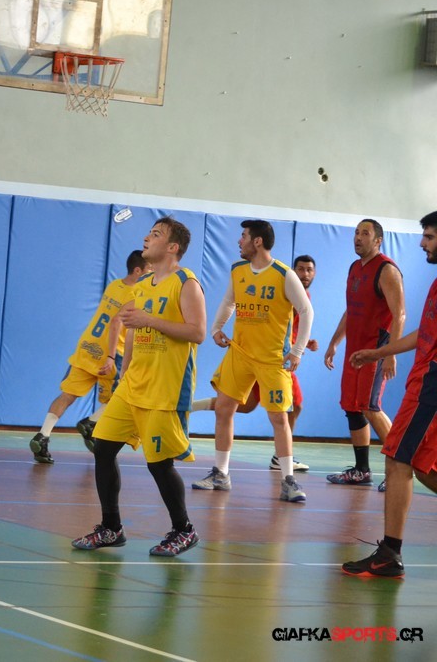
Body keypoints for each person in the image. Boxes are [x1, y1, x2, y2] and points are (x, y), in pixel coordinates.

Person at [72, 217, 205, 557]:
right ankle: (111, 528)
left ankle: (184, 530)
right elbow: (132, 328)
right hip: (133, 385)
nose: (147, 237)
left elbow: (197, 332)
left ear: (172, 247)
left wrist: (151, 321)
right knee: (102, 447)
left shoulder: (186, 283)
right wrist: (124, 371)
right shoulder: (143, 283)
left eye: (156, 234)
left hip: (165, 389)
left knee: (159, 463)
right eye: (149, 232)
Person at [342, 211, 437, 578]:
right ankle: (389, 553)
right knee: (421, 463)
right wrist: (380, 353)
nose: (422, 243)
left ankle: (389, 554)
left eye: (429, 237)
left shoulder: (387, 270)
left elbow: (403, 318)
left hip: (431, 382)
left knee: (398, 458)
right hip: (423, 378)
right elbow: (423, 333)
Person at [192, 220, 313, 502]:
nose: (239, 241)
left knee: (279, 418)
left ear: (257, 241)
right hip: (240, 353)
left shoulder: (284, 274)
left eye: (243, 236)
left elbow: (306, 311)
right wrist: (217, 328)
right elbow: (229, 301)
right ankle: (221, 473)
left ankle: (288, 480)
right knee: (224, 409)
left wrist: (297, 351)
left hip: (272, 359)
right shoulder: (238, 270)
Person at [30, 250, 147, 464]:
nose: (153, 273)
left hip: (87, 346)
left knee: (67, 395)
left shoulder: (114, 285)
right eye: (150, 269)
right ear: (138, 270)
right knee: (121, 397)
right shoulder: (137, 294)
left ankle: (42, 435)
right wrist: (111, 356)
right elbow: (116, 323)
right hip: (111, 352)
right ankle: (90, 423)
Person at [324, 219, 406, 492]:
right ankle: (361, 470)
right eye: (356, 233)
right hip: (354, 350)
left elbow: (399, 314)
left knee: (370, 407)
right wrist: (334, 342)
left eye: (365, 233)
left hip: (376, 349)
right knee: (352, 407)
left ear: (378, 240)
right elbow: (351, 309)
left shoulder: (387, 270)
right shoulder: (355, 268)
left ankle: (399, 469)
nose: (358, 237)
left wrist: (391, 354)